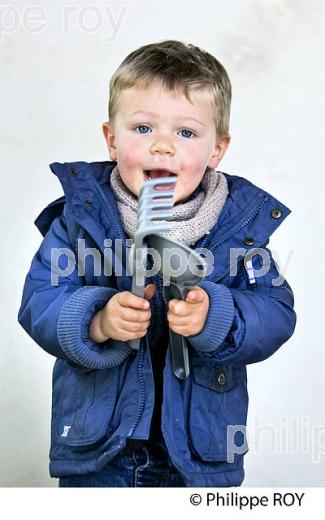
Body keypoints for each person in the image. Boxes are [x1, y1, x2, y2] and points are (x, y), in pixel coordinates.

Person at [17, 40, 296, 487]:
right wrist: (97, 319)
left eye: (185, 133)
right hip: (100, 452)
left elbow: (276, 313)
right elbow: (40, 300)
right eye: (143, 128)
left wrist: (217, 315)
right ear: (111, 139)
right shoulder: (79, 221)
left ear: (217, 150)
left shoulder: (241, 230)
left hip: (199, 455)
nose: (162, 147)